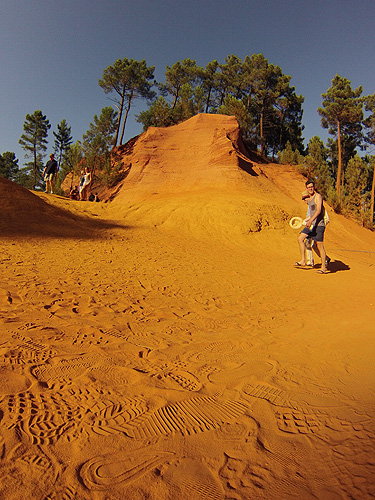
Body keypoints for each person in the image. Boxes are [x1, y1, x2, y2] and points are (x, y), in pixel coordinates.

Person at [295, 180, 329, 273]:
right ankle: (303, 261)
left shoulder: (318, 197)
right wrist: (306, 220)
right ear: (306, 188)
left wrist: (310, 220)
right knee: (300, 238)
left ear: (314, 187)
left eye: (311, 187)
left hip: (319, 225)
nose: (310, 188)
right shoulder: (309, 200)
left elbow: (318, 211)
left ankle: (323, 267)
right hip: (312, 225)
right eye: (308, 187)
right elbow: (312, 213)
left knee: (319, 246)